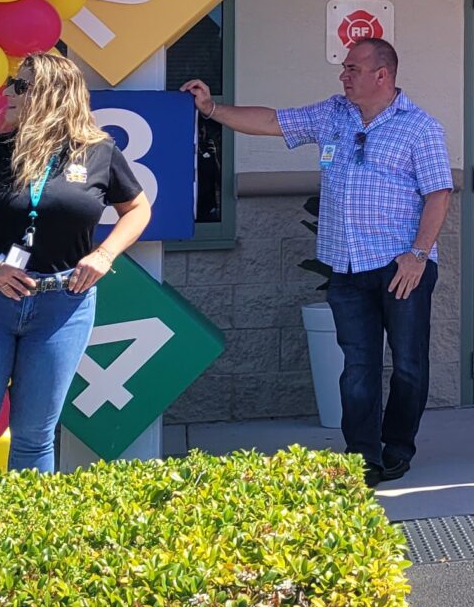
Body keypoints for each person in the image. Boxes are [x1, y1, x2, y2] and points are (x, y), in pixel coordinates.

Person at [181, 37, 452, 485]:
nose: (343, 75)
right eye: (344, 68)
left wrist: (418, 256)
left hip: (402, 267)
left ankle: (398, 446)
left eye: (352, 69)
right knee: (358, 365)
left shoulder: (420, 128)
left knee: (407, 364)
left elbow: (438, 195)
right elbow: (271, 121)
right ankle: (362, 457)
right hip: (345, 266)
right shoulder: (333, 115)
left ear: (381, 75)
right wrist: (211, 109)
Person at [0, 50, 153, 491]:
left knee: (35, 437)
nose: (7, 93)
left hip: (63, 305)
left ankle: (25, 545)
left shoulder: (99, 152)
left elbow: (137, 208)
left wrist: (105, 254)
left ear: (51, 93)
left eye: (20, 85)